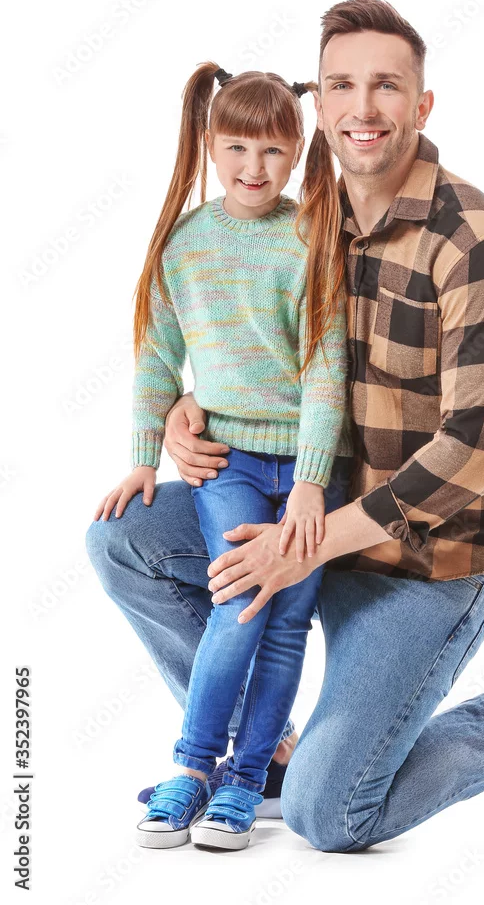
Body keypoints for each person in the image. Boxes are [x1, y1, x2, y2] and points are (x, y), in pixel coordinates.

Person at [86, 0, 484, 854]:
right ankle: (258, 755)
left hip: (426, 559)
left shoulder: (470, 236)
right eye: (341, 85)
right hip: (304, 513)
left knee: (329, 816)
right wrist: (186, 406)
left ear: (421, 104)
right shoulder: (299, 218)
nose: (362, 107)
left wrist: (305, 543)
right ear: (318, 106)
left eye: (385, 86)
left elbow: (478, 447)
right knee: (124, 539)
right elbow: (239, 341)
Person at [91, 62, 354, 850]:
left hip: (306, 470)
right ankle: (194, 766)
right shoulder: (186, 243)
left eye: (273, 150)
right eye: (237, 148)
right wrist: (145, 455)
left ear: (298, 150)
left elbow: (326, 368)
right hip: (229, 462)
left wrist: (311, 485)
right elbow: (156, 354)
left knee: (286, 622)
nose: (254, 167)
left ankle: (247, 782)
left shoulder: (310, 238)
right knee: (239, 605)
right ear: (210, 145)